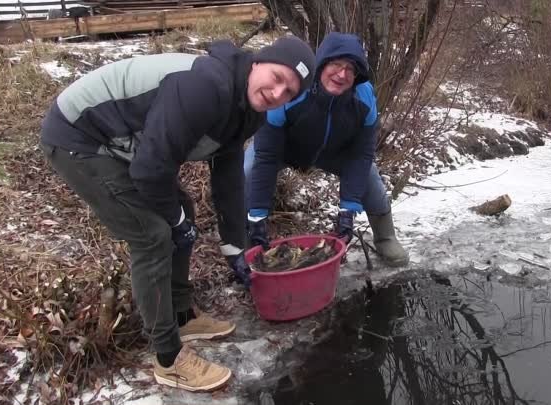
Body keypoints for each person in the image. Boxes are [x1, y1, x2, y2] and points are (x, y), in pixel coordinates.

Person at [38, 36, 315, 392]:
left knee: (181, 210)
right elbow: (150, 170)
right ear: (259, 62)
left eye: (289, 92)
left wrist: (235, 248)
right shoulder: (205, 86)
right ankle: (168, 357)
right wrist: (176, 223)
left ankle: (182, 314)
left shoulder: (248, 111)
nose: (278, 92)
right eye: (277, 77)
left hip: (120, 143)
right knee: (152, 234)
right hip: (79, 134)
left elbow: (228, 177)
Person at [237, 32, 408, 279]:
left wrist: (348, 211)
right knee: (248, 169)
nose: (342, 74)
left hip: (335, 152)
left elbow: (361, 155)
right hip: (286, 149)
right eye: (336, 64)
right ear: (322, 63)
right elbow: (265, 154)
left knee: (370, 178)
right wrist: (258, 213)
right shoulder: (294, 89)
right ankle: (247, 239)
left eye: (350, 69)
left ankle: (385, 237)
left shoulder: (365, 97)